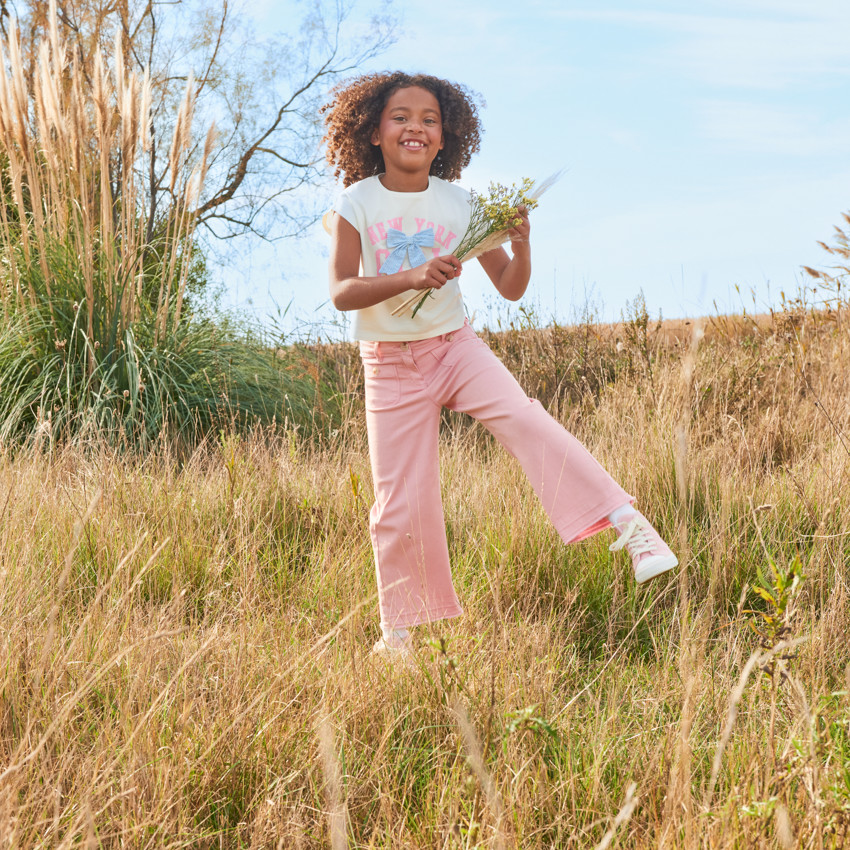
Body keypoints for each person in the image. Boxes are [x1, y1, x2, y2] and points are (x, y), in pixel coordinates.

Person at [321, 72, 677, 658]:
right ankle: (399, 637)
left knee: (527, 419)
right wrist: (411, 276)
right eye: (400, 117)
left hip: (455, 348)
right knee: (399, 499)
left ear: (445, 139)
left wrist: (523, 242)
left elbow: (510, 288)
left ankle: (630, 527)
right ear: (374, 131)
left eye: (430, 119)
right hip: (388, 365)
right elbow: (341, 291)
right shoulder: (356, 202)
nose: (416, 126)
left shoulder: (462, 203)